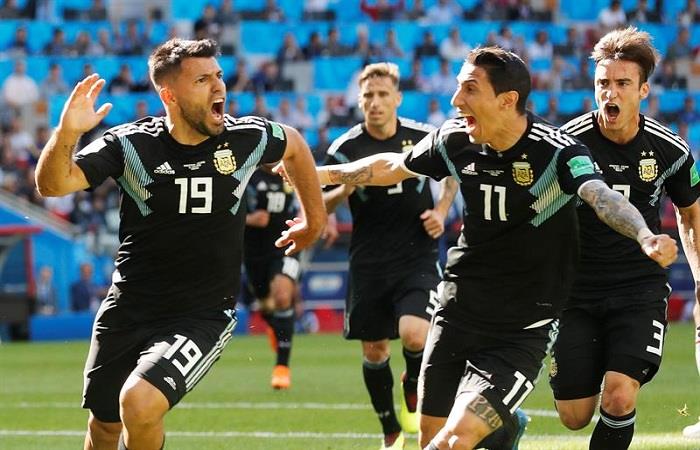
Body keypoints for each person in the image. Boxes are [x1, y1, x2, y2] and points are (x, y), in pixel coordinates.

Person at [300, 47, 678, 450]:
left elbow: (601, 196)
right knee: (431, 437)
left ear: (506, 100)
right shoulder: (454, 139)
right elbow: (393, 167)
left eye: (469, 89)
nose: (455, 100)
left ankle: (496, 425)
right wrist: (316, 173)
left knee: (456, 441)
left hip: (522, 326)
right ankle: (503, 429)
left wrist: (644, 235)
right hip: (457, 311)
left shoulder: (558, 151)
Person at [34, 38, 325, 450]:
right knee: (104, 427)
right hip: (128, 308)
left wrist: (315, 220)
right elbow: (52, 185)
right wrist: (66, 133)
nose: (219, 86)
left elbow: (293, 145)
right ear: (169, 96)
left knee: (139, 403)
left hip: (200, 314)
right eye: (202, 80)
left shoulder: (245, 138)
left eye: (219, 75)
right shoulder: (130, 145)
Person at [550, 27, 700, 450]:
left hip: (639, 287)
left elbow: (691, 214)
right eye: (603, 83)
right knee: (574, 416)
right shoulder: (567, 144)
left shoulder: (670, 150)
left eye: (622, 83)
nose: (610, 93)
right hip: (576, 290)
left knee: (618, 396)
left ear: (643, 90)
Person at [321, 62, 458, 450]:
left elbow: (450, 174)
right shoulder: (344, 149)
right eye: (368, 96)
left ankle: (413, 382)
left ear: (397, 98)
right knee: (375, 350)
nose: (375, 103)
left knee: (415, 334)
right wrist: (344, 187)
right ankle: (390, 431)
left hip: (417, 254)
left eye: (383, 95)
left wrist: (441, 211)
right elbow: (321, 202)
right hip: (369, 261)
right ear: (359, 101)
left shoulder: (422, 136)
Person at [243, 166, 300, 390]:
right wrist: (249, 219)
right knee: (266, 303)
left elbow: (308, 201)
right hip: (254, 252)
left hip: (286, 246)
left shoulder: (293, 173)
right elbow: (224, 211)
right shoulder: (247, 173)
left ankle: (282, 367)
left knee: (282, 296)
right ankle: (276, 328)